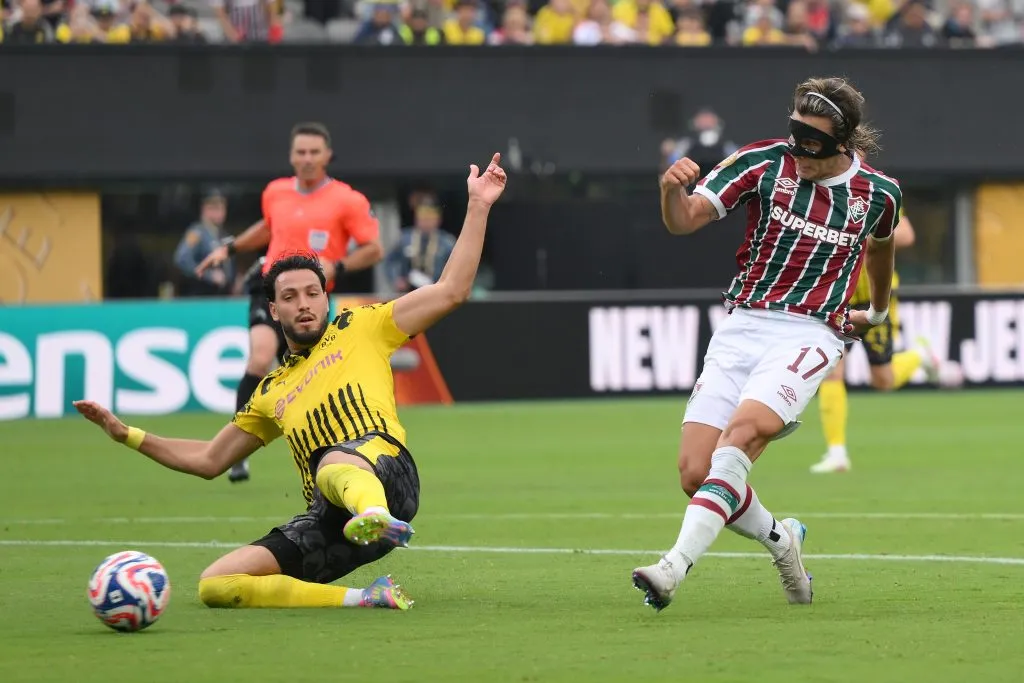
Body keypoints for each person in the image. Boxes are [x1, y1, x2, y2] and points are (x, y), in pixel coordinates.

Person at [73, 153, 507, 611]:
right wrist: (128, 435)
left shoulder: (363, 326)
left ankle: (374, 513)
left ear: (326, 298)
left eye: (313, 293)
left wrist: (478, 206)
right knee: (217, 584)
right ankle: (365, 597)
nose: (304, 304)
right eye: (289, 296)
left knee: (331, 462)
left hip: (389, 478)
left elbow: (452, 290)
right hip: (331, 520)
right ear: (273, 310)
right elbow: (207, 459)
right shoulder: (270, 392)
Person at [632, 77, 902, 612]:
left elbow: (881, 250)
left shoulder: (879, 193)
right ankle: (783, 540)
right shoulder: (761, 162)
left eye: (814, 144)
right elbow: (684, 221)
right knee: (694, 473)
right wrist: (670, 191)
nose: (801, 152)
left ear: (842, 140)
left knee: (742, 436)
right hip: (741, 326)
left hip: (812, 333)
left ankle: (672, 568)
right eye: (796, 137)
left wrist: (876, 311)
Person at [196, 122, 384, 484]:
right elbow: (270, 227)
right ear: (291, 156)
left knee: (321, 375)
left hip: (312, 298)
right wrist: (231, 248)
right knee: (260, 354)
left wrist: (339, 265)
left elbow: (374, 248)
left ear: (328, 155)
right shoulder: (276, 192)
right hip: (270, 286)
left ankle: (337, 450)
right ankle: (236, 456)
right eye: (301, 152)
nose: (307, 159)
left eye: (315, 152)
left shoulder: (347, 199)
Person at [811, 165, 940, 474]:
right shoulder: (820, 191)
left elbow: (906, 234)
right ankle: (837, 452)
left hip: (875, 298)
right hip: (838, 297)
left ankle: (919, 357)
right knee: (831, 370)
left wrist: (863, 235)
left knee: (882, 381)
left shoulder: (876, 190)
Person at [173, 190, 234, 297]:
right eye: (214, 208)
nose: (219, 212)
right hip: (201, 294)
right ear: (205, 209)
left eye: (222, 208)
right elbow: (182, 259)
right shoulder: (197, 233)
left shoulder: (224, 235)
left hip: (222, 296)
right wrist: (209, 275)